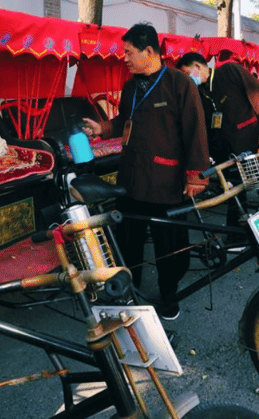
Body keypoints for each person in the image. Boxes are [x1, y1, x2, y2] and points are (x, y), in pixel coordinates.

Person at [82, 23, 210, 321]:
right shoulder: (130, 87)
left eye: (129, 52)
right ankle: (130, 291)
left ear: (149, 51)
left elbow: (195, 131)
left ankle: (169, 296)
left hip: (166, 182)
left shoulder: (180, 84)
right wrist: (102, 128)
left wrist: (196, 175)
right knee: (128, 241)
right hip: (131, 180)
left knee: (171, 245)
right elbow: (125, 121)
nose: (124, 58)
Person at [175, 52, 259, 241]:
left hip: (252, 142)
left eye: (186, 72)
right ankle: (237, 237)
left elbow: (256, 92)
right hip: (226, 150)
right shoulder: (199, 92)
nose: (187, 78)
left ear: (198, 67)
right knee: (233, 193)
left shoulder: (229, 70)